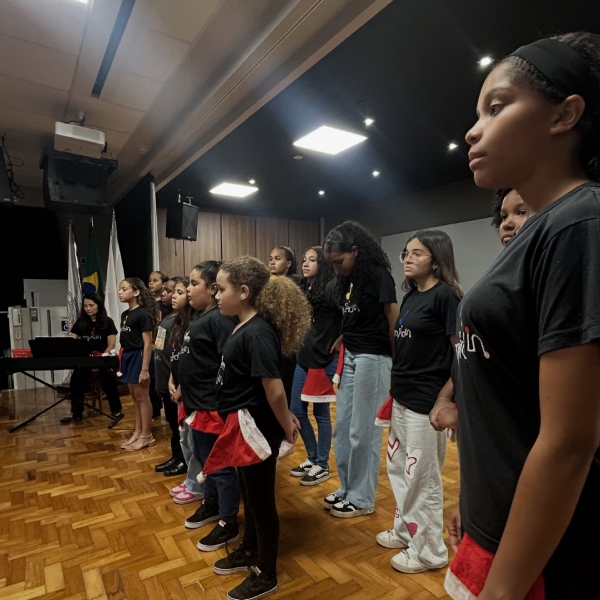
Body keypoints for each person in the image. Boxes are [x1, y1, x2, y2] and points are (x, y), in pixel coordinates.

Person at [445, 32, 600, 599]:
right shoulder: (543, 230)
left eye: (496, 107)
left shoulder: (580, 222)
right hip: (500, 521)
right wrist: (474, 505)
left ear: (564, 115)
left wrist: (503, 588)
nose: (473, 130)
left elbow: (570, 441)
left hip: (545, 555)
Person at [211, 256, 311, 600]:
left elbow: (275, 389)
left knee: (261, 501)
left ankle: (266, 573)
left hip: (256, 429)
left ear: (243, 292)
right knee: (250, 496)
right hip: (241, 426)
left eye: (221, 289)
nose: (216, 296)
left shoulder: (257, 333)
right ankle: (249, 550)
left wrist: (286, 425)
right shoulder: (242, 326)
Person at [377, 230, 462, 574]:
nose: (407, 259)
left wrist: (445, 399)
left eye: (417, 253)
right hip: (402, 397)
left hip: (426, 404)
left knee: (422, 478)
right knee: (399, 469)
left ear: (436, 261)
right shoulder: (411, 295)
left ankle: (430, 552)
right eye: (406, 253)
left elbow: (461, 357)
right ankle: (406, 530)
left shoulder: (447, 297)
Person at [429, 191, 531, 434]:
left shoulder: (537, 283)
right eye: (503, 216)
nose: (507, 223)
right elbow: (467, 355)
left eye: (522, 212)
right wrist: (444, 398)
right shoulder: (500, 276)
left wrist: (471, 417)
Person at [323, 221, 398, 518]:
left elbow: (391, 316)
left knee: (363, 430)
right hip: (352, 353)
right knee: (342, 429)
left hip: (374, 357)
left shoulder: (379, 275)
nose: (336, 268)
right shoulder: (348, 279)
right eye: (332, 263)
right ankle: (346, 488)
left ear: (355, 251)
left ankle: (362, 497)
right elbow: (355, 317)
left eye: (339, 261)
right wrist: (344, 337)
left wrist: (397, 357)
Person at [178, 261, 239, 550]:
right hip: (197, 405)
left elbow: (227, 363)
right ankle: (212, 502)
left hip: (212, 407)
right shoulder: (202, 317)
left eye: (194, 284)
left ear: (213, 288)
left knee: (220, 464)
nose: (189, 289)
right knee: (204, 459)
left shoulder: (220, 320)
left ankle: (229, 520)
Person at [289, 247, 341, 485]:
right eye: (304, 259)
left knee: (321, 413)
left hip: (324, 359)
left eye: (312, 260)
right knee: (296, 409)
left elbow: (348, 317)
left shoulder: (331, 289)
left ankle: (322, 464)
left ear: (323, 264)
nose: (305, 264)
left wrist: (342, 338)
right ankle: (311, 457)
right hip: (304, 357)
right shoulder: (303, 288)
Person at [166, 278, 205, 504]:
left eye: (180, 292)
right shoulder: (179, 322)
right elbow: (177, 358)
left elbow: (194, 361)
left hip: (191, 391)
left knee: (193, 440)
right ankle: (190, 478)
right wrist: (172, 378)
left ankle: (196, 485)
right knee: (184, 439)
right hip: (180, 386)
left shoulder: (197, 322)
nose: (176, 295)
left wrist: (181, 387)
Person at [61, 293, 123, 423]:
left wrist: (101, 358)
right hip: (84, 361)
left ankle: (116, 410)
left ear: (98, 305)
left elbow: (111, 344)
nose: (88, 308)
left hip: (102, 359)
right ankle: (77, 413)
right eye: (85, 306)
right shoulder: (81, 322)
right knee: (76, 380)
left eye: (91, 305)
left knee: (109, 378)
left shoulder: (108, 322)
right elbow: (71, 340)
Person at [118, 278, 158, 451]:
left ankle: (147, 435)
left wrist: (144, 369)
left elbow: (148, 343)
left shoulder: (142, 314)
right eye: (120, 289)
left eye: (124, 289)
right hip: (128, 356)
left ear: (136, 292)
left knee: (143, 397)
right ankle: (138, 431)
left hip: (139, 356)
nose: (119, 292)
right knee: (135, 398)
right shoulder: (125, 315)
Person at [153, 278, 186, 476]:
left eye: (173, 291)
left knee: (178, 423)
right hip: (164, 377)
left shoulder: (182, 321)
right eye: (165, 291)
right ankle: (176, 456)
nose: (168, 294)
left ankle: (183, 460)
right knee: (172, 423)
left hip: (174, 380)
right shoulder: (168, 317)